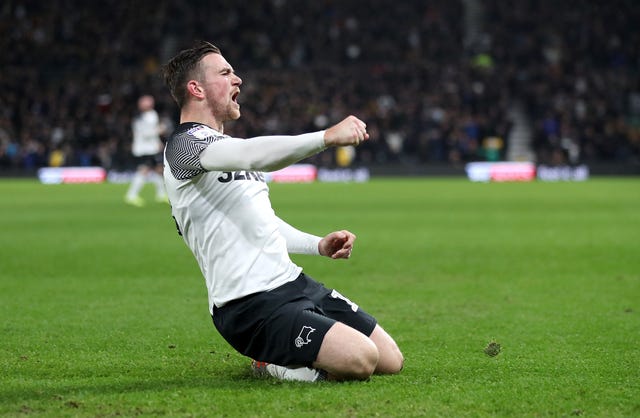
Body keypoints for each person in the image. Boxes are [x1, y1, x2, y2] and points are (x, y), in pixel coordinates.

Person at [160, 41, 403, 382]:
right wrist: (326, 137)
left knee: (390, 360)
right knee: (360, 360)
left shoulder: (226, 149)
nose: (238, 79)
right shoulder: (184, 146)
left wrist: (317, 244)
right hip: (248, 304)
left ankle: (300, 350)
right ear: (196, 88)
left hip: (294, 284)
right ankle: (268, 364)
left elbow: (263, 223)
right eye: (225, 72)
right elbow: (251, 155)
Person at [124, 95, 168, 207]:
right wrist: (159, 130)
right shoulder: (141, 117)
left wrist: (158, 141)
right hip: (144, 149)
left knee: (158, 169)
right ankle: (131, 195)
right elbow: (145, 134)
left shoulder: (151, 115)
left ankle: (161, 194)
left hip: (151, 148)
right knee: (144, 170)